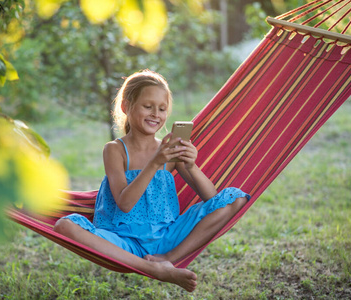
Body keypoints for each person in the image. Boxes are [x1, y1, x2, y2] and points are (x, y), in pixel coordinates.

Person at [54, 70, 250, 292]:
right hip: (124, 241)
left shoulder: (169, 152)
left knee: (236, 198)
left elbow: (212, 199)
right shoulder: (115, 150)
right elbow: (124, 203)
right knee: (65, 225)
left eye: (162, 108)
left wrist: (191, 166)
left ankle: (166, 260)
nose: (156, 114)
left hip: (167, 238)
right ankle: (155, 269)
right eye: (148, 106)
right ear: (126, 107)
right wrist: (155, 164)